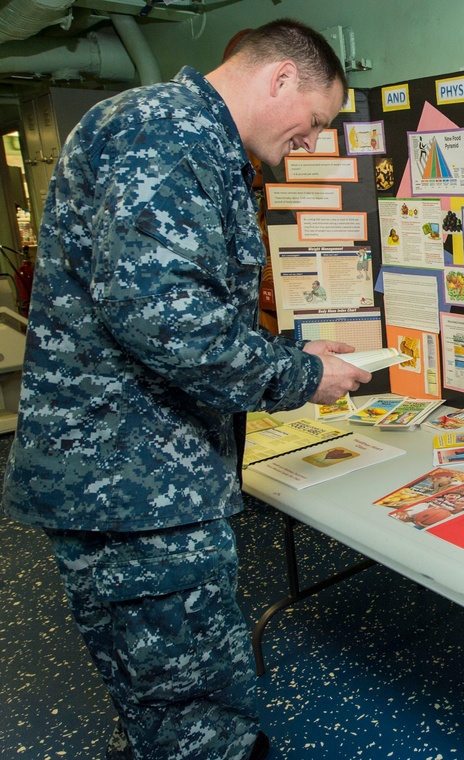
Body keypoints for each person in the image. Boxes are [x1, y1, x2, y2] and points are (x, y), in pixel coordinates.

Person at [0, 19, 373, 760]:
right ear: (278, 80)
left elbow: (178, 306)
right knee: (191, 707)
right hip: (130, 487)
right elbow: (168, 323)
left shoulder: (185, 138)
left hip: (141, 478)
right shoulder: (164, 135)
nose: (311, 142)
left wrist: (291, 349)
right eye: (315, 122)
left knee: (169, 697)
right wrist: (302, 377)